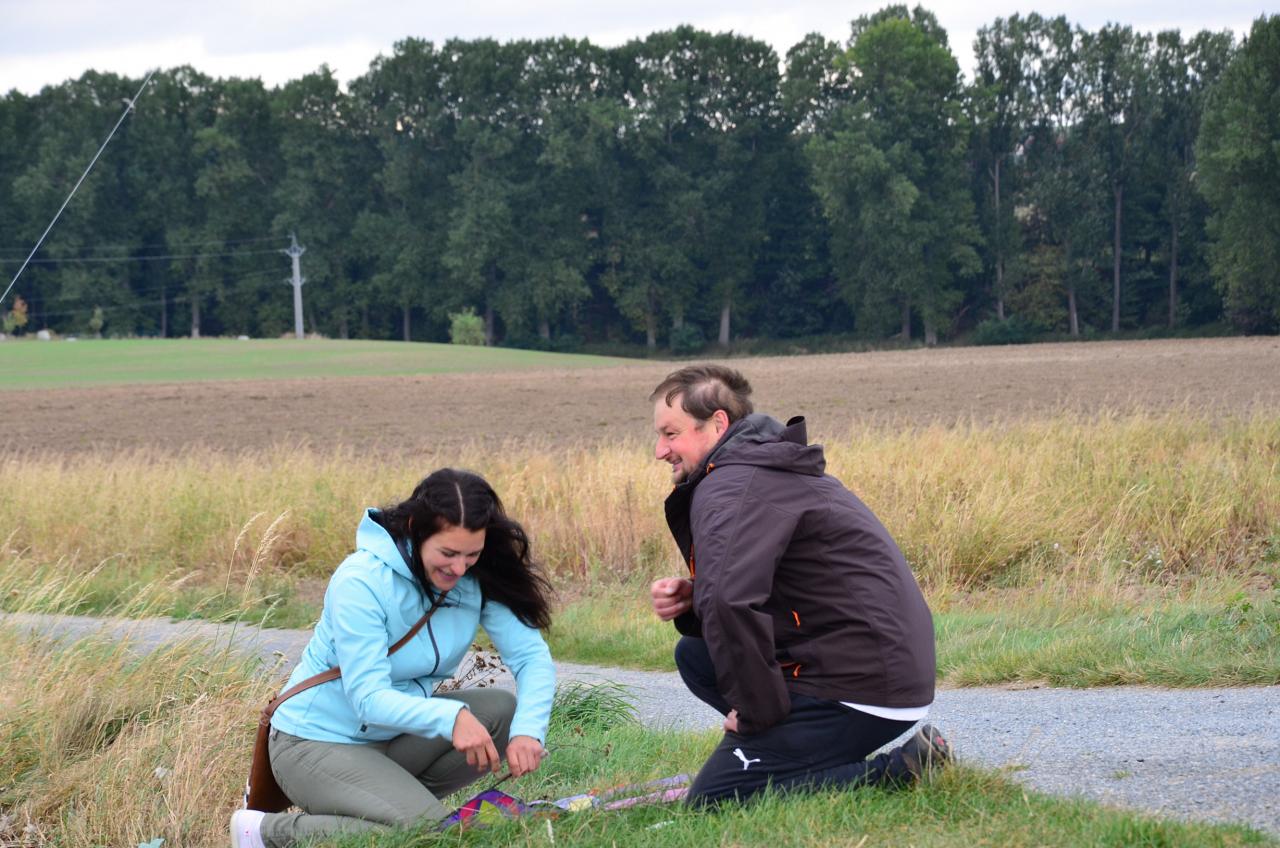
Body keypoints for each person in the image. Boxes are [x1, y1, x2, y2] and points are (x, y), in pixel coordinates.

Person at [647, 365, 951, 807]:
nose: (660, 450)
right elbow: (761, 585)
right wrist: (698, 593)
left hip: (862, 686)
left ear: (717, 424)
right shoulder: (760, 469)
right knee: (696, 655)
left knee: (713, 801)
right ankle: (795, 753)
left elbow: (729, 602)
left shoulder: (732, 484)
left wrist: (754, 715)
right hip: (879, 669)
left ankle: (898, 770)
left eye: (671, 434)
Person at [231, 468, 556, 848]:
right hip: (313, 741)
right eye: (448, 553)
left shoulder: (474, 577)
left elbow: (531, 657)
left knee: (502, 712)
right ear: (416, 530)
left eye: (472, 554)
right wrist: (451, 717)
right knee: (431, 837)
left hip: (392, 738)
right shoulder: (361, 581)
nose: (459, 568)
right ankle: (265, 834)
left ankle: (388, 807)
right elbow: (368, 699)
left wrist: (528, 731)